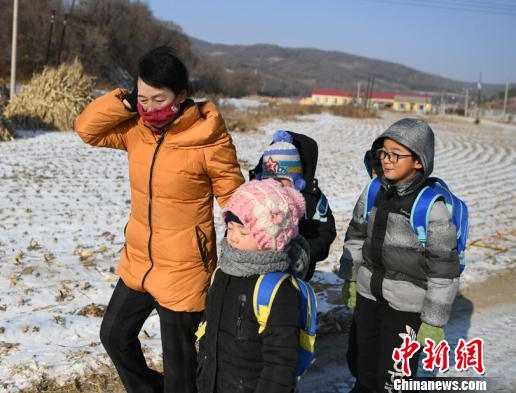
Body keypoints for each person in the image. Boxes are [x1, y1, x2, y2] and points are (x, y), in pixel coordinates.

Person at [75, 46, 244, 393]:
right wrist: (123, 101)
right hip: (140, 259)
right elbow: (88, 130)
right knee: (114, 336)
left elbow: (233, 195)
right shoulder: (136, 129)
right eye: (143, 97)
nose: (148, 107)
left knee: (181, 372)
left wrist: (249, 234)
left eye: (158, 98)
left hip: (184, 267)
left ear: (182, 96)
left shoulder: (208, 139)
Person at [339, 118, 460, 392]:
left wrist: (433, 320)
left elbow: (444, 270)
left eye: (396, 154)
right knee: (360, 364)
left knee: (394, 377)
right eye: (383, 152)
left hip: (408, 308)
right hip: (369, 296)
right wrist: (350, 279)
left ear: (419, 161)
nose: (386, 160)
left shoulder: (432, 208)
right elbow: (356, 237)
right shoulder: (372, 192)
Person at [196, 179, 310, 393]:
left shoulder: (278, 290)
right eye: (230, 228)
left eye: (244, 232)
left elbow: (281, 361)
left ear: (269, 239)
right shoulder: (222, 273)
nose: (233, 238)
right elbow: (208, 331)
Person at [250, 130, 336, 281]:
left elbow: (326, 232)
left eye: (282, 180)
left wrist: (305, 251)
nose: (275, 185)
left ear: (297, 181)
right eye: (270, 179)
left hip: (297, 274)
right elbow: (237, 226)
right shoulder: (256, 198)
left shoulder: (312, 201)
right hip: (256, 272)